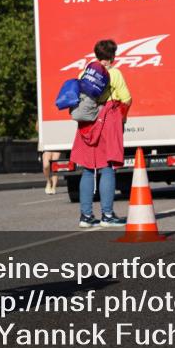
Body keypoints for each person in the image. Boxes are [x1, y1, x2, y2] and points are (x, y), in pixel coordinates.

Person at [70, 39, 132, 226]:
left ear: (97, 55)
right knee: (107, 168)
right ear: (112, 56)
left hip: (87, 125)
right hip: (106, 123)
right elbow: (126, 98)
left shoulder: (84, 73)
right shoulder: (114, 73)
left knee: (88, 170)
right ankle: (107, 215)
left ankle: (86, 216)